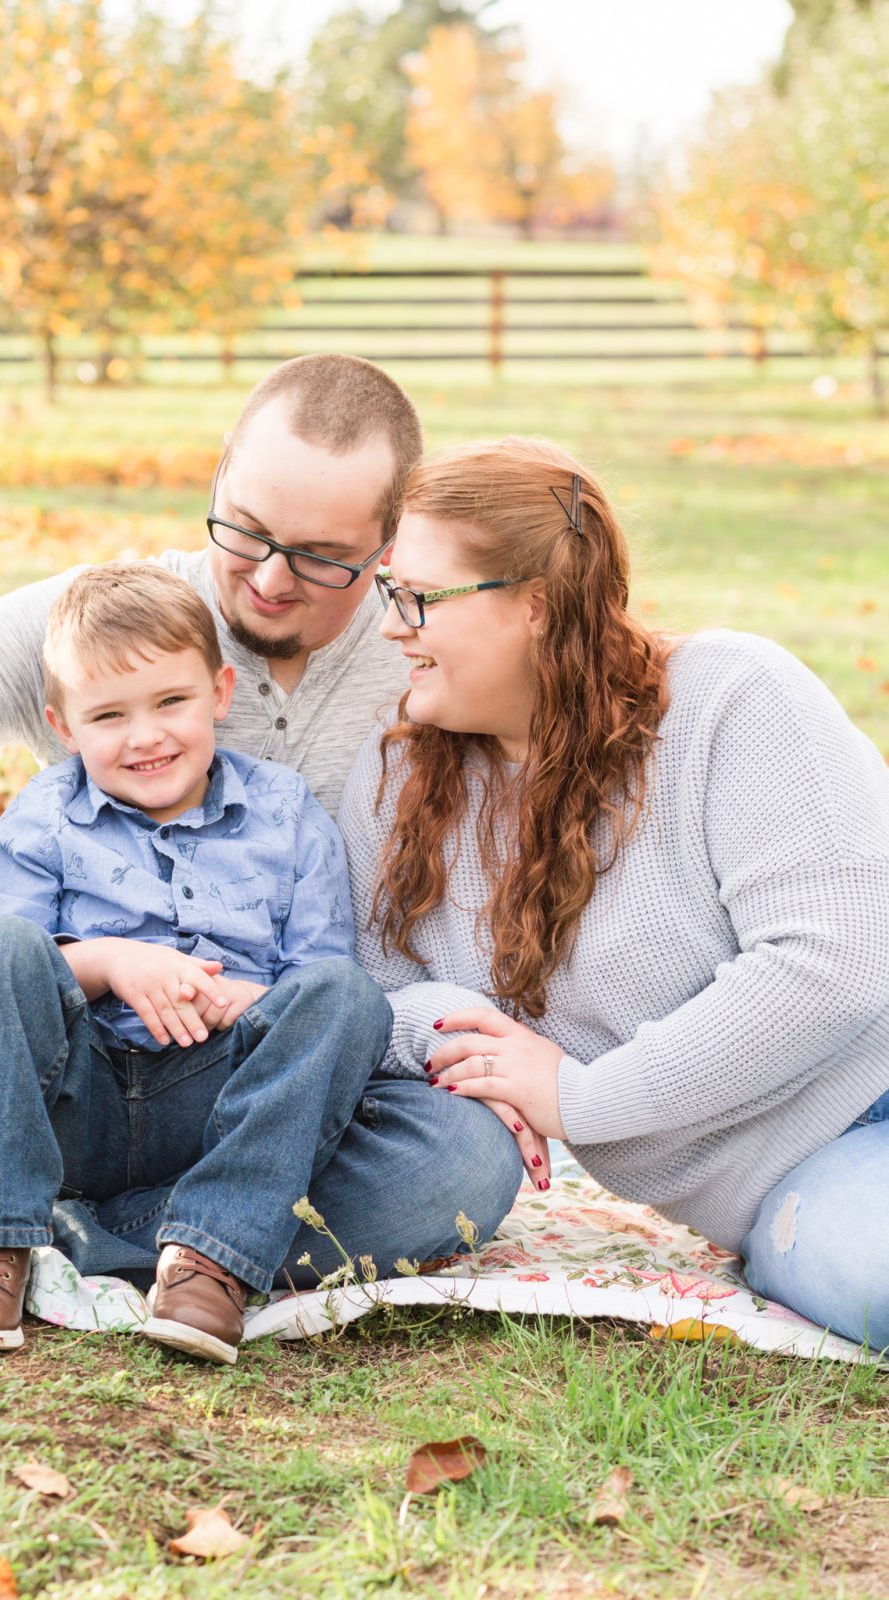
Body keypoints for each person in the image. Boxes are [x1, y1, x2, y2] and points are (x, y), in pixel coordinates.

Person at [0, 355, 522, 1275]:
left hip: (258, 1080)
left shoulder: (424, 666)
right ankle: (61, 1188)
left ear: (388, 544)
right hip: (43, 1047)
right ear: (220, 475)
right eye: (247, 530)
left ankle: (54, 1221)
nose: (271, 578)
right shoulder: (108, 614)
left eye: (319, 557)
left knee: (464, 1159)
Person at [338, 435, 889, 1350]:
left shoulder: (730, 698)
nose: (389, 624)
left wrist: (583, 1100)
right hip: (802, 1172)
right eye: (389, 590)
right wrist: (465, 1033)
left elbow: (839, 959)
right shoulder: (397, 782)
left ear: (539, 610)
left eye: (417, 599)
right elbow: (374, 990)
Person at [0, 563, 392, 1363]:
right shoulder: (48, 811)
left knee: (351, 998)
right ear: (63, 727)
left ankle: (209, 1252)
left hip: (217, 1110)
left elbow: (317, 983)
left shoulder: (286, 813)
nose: (146, 736)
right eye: (108, 715)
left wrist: (237, 1002)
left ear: (220, 692)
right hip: (79, 1096)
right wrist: (110, 962)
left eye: (171, 702)